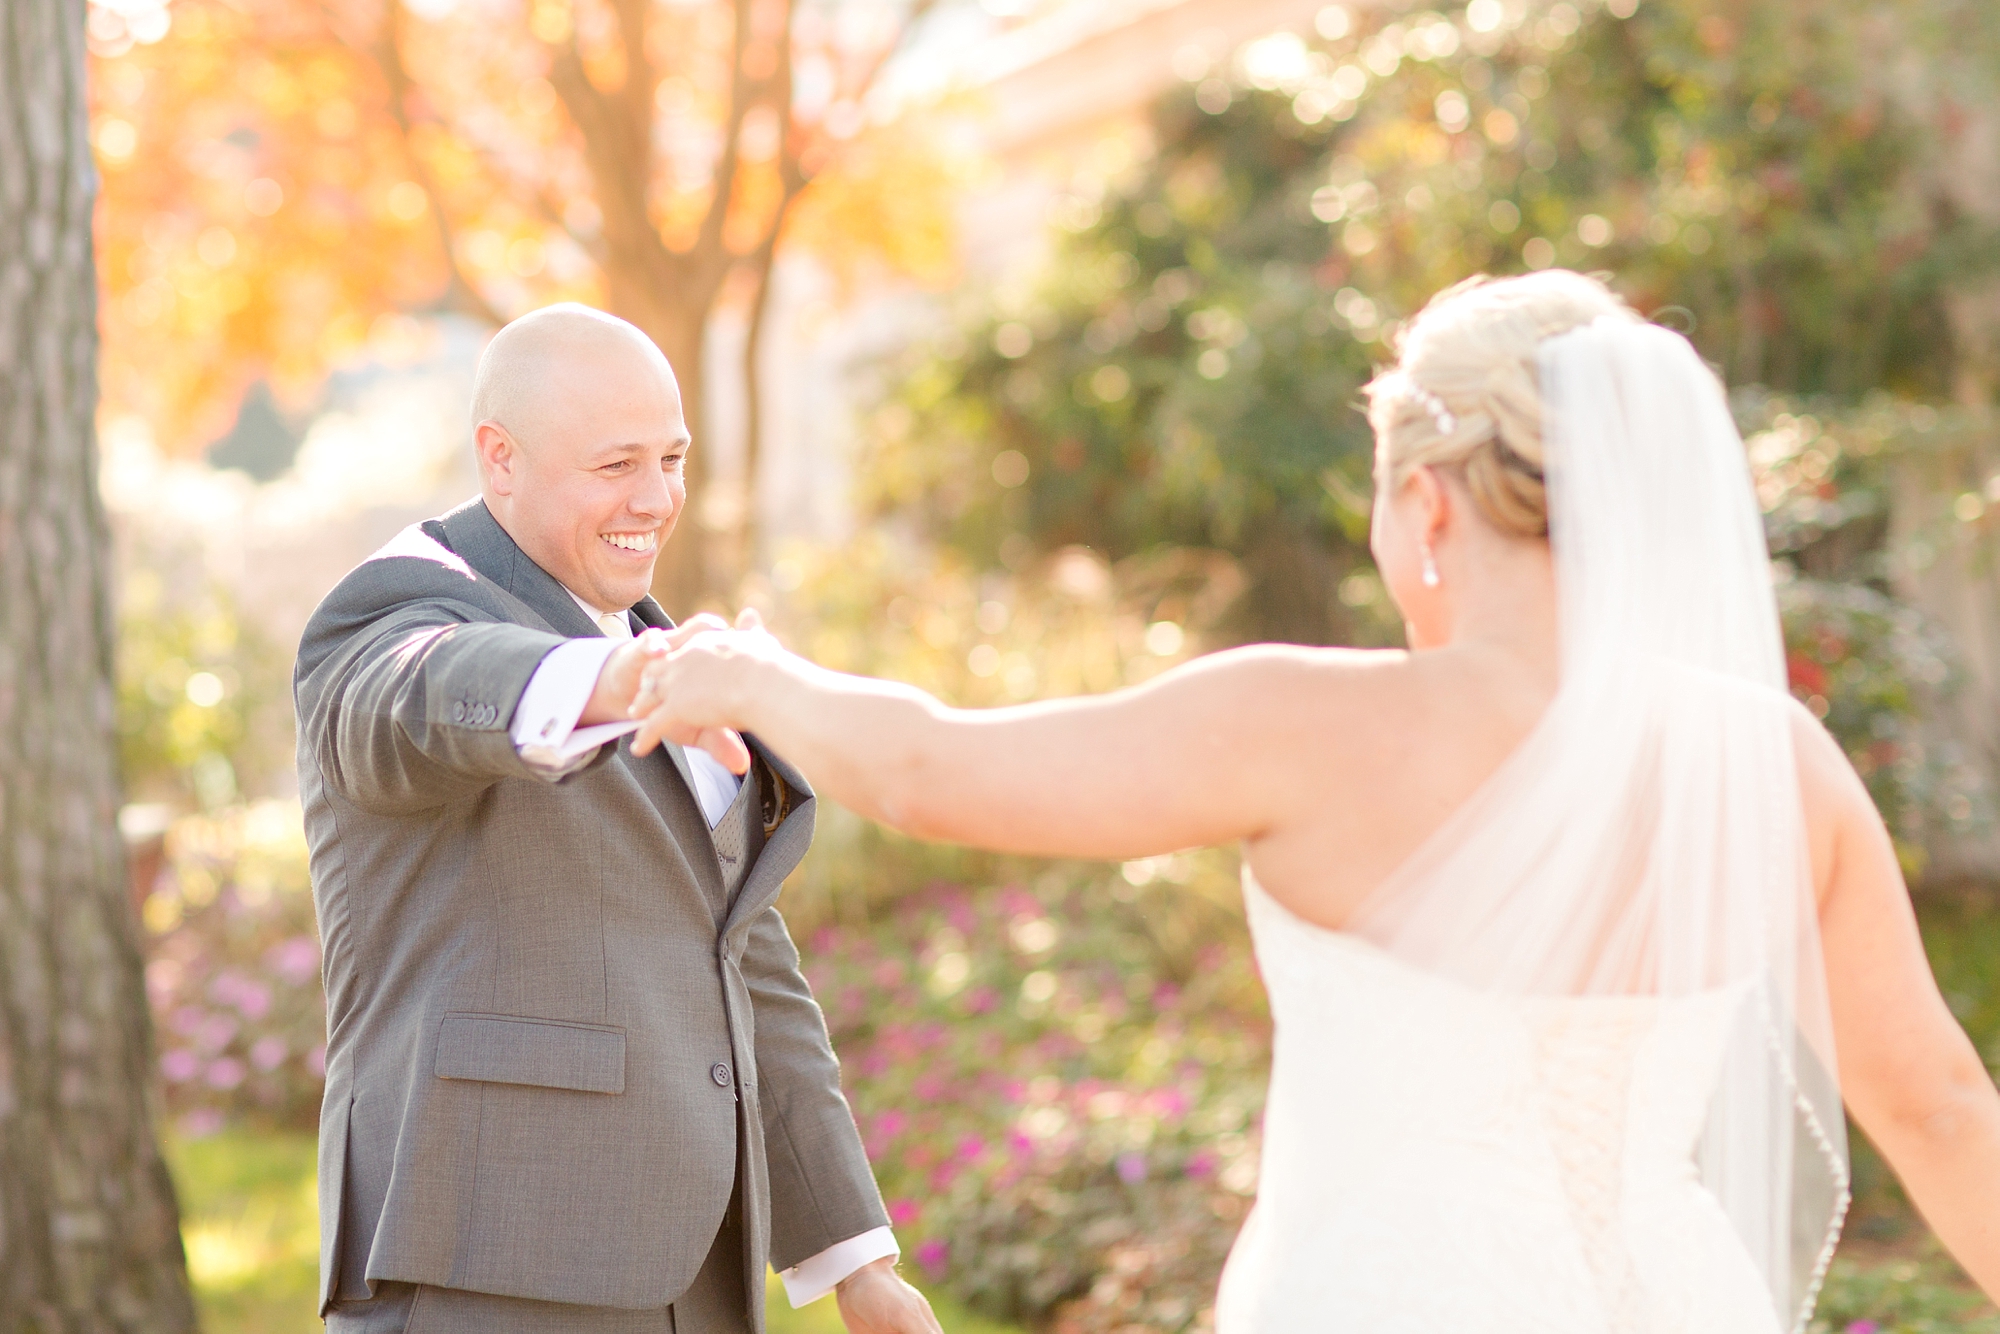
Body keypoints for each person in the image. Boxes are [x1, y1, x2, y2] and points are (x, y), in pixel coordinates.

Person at [625, 272, 2000, 1332]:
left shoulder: (1314, 723)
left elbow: (936, 769)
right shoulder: (1778, 765)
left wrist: (756, 672)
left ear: (1433, 507)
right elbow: (1937, 1099)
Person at [294, 304, 940, 1334]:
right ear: (498, 458)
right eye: (615, 465)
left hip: (694, 1284)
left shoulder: (659, 644)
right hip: (484, 1274)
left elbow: (737, 959)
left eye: (672, 457)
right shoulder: (392, 614)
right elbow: (421, 694)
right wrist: (611, 676)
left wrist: (853, 1258)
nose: (656, 497)